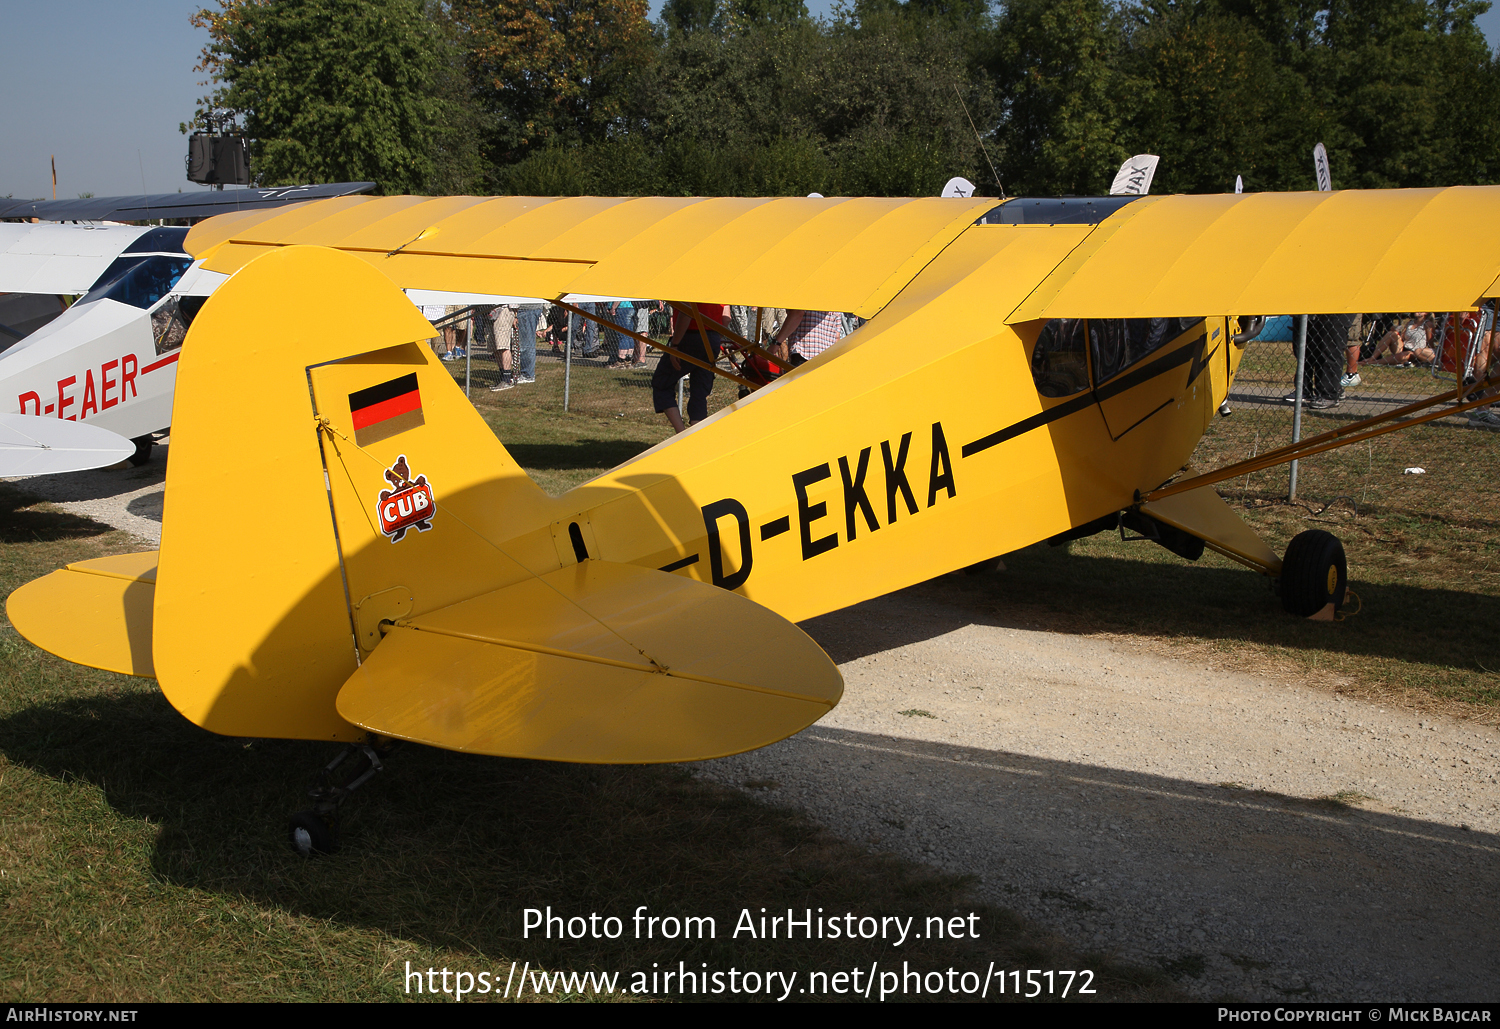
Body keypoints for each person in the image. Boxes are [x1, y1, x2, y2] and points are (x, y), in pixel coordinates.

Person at [652, 301, 728, 433]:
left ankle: (682, 435)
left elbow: (687, 310)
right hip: (712, 337)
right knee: (699, 392)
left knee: (661, 382)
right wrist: (715, 338)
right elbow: (726, 314)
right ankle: (696, 436)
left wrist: (675, 345)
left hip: (690, 335)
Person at [770, 309, 843, 367]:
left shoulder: (803, 292)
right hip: (828, 359)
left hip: (804, 354)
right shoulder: (834, 297)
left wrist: (775, 345)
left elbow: (797, 313)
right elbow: (837, 336)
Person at [488, 304, 516, 391]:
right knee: (495, 347)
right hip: (491, 311)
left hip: (504, 311)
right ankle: (502, 377)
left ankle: (507, 379)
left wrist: (515, 315)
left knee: (503, 346)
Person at [515, 302, 542, 384]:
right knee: (526, 343)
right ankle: (526, 372)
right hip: (528, 309)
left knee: (526, 344)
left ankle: (528, 374)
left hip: (527, 309)